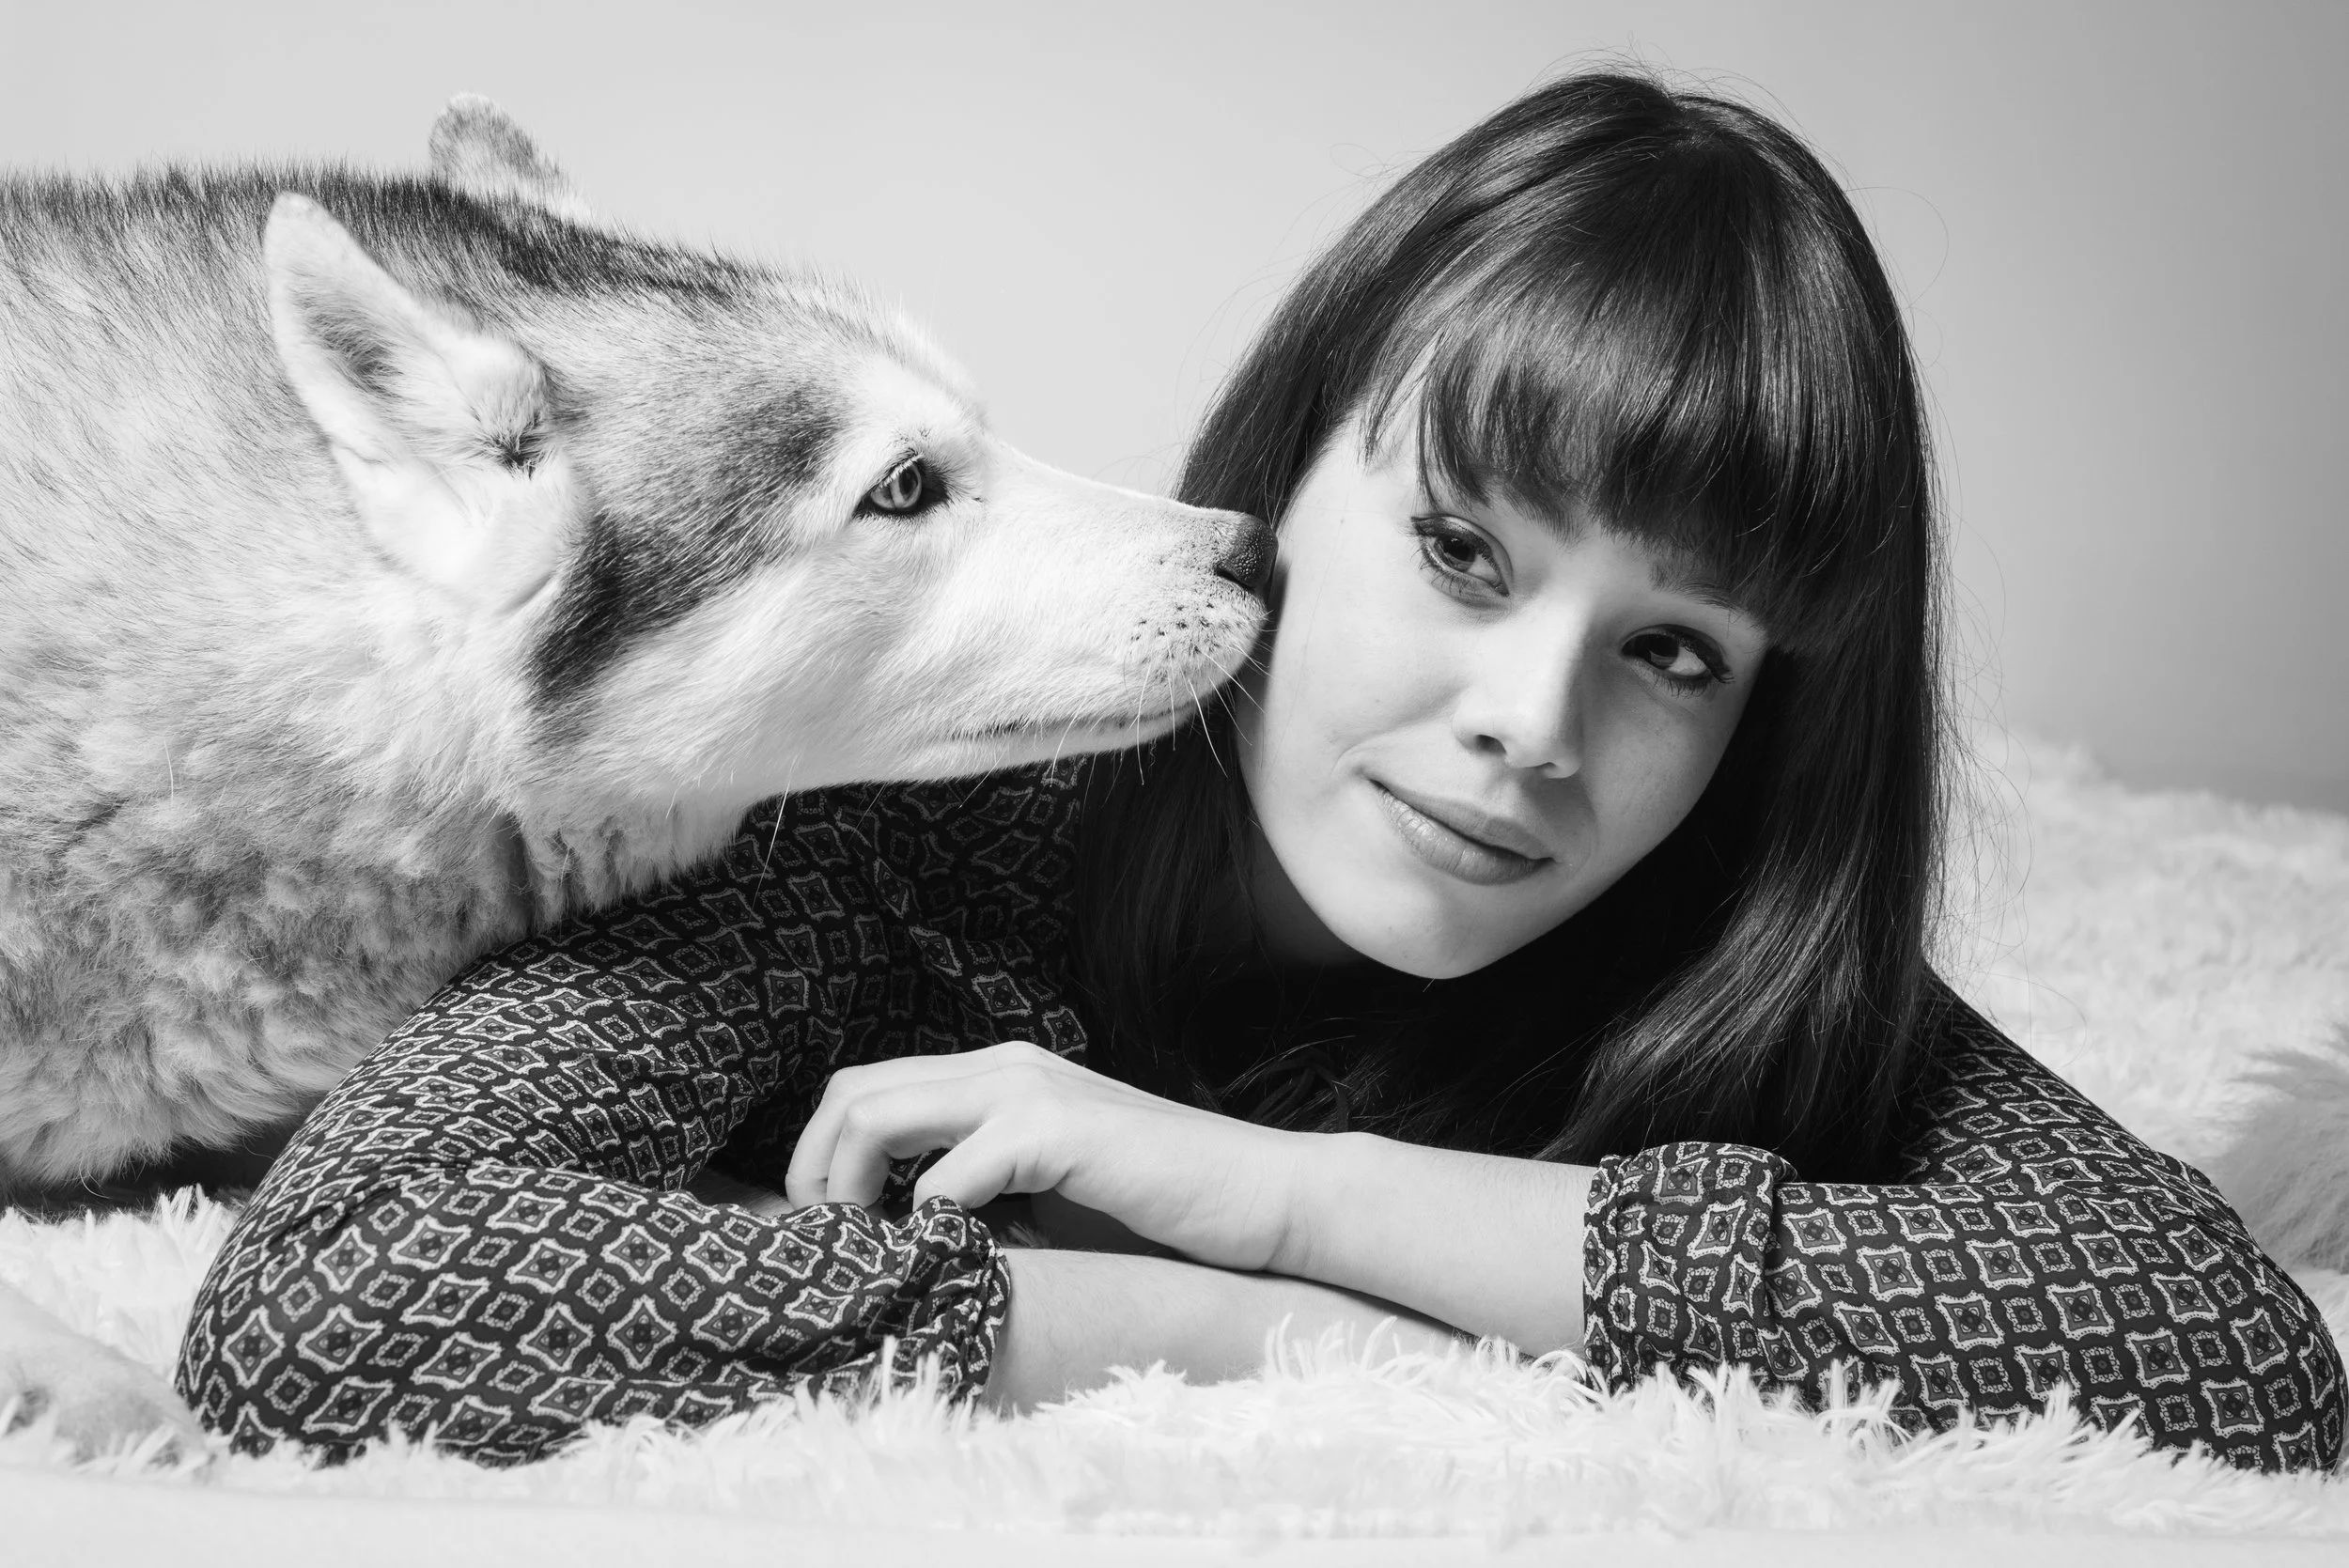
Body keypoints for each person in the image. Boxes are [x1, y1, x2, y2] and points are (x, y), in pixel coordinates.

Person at [176, 71, 2342, 1473]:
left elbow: (2229, 1350)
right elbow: (332, 1297)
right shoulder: (894, 836)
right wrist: (1233, 1325)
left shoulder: (1701, 937)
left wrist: (1290, 1195)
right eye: (1460, 552)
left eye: (1671, 652)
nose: (1533, 723)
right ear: (1279, 482)